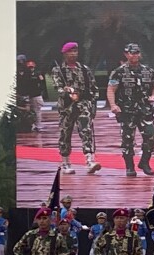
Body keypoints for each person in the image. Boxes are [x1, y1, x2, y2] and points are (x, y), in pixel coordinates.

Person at [107, 43, 154, 177]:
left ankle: (145, 162)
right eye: (131, 53)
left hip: (144, 110)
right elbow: (111, 89)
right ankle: (129, 167)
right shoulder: (118, 72)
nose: (134, 55)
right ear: (126, 54)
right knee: (127, 139)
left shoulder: (147, 71)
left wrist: (153, 96)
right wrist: (113, 105)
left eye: (136, 53)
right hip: (126, 111)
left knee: (151, 136)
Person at [52, 42, 101, 175]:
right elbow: (58, 87)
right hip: (66, 108)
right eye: (70, 51)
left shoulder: (84, 69)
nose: (73, 54)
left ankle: (90, 160)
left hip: (83, 105)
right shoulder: (58, 70)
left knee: (86, 131)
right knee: (65, 134)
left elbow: (93, 88)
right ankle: (66, 162)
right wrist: (67, 92)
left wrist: (91, 102)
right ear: (64, 54)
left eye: (75, 51)